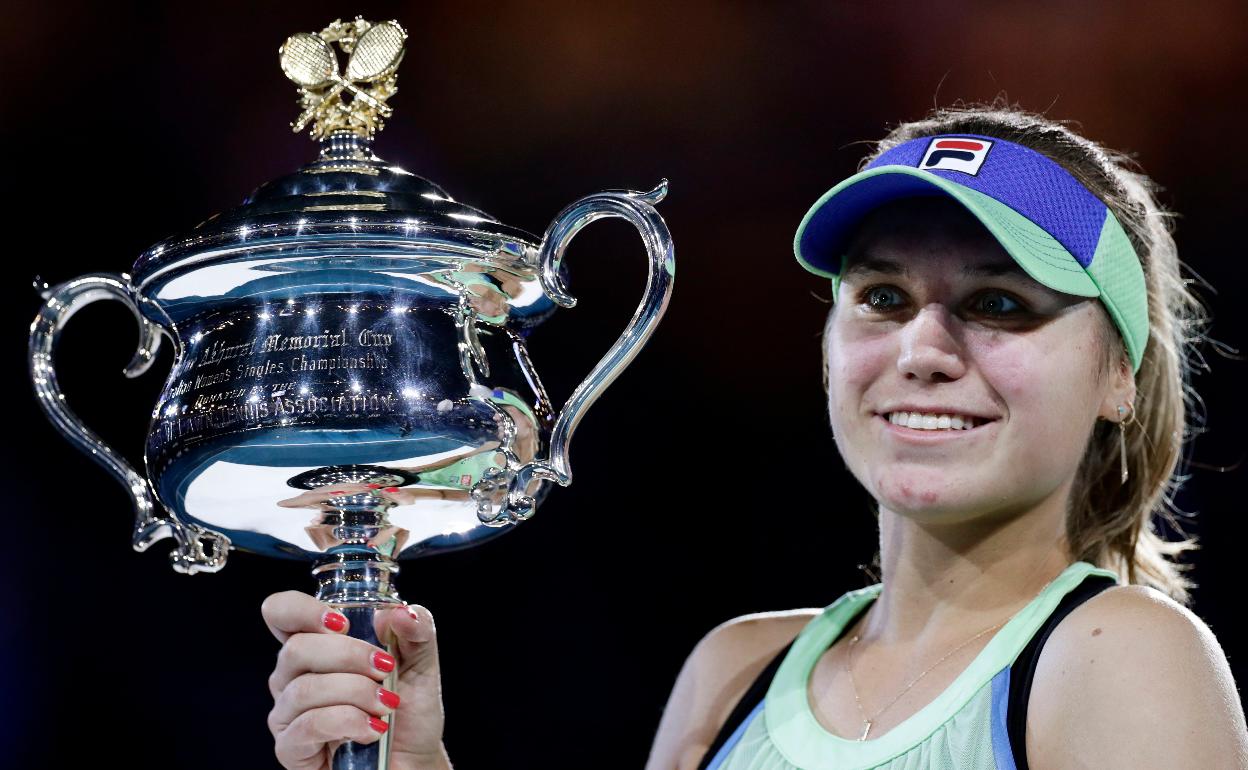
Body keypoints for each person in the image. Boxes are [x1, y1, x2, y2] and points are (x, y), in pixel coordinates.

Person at [259, 102, 1248, 769]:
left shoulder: (1123, 656)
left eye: (998, 300)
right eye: (882, 295)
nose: (923, 347)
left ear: (1121, 370)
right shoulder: (734, 671)